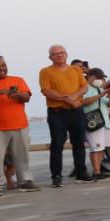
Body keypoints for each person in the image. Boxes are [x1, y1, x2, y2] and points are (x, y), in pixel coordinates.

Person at [0, 56, 37, 194]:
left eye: (3, 65)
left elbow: (27, 97)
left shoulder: (18, 80)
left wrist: (18, 95)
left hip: (19, 125)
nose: (1, 68)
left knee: (22, 156)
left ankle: (25, 181)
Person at [40, 45, 92, 186]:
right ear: (50, 57)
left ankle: (81, 173)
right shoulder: (45, 72)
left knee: (79, 143)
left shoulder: (75, 69)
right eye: (55, 54)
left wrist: (74, 97)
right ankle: (56, 176)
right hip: (57, 113)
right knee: (57, 144)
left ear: (66, 54)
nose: (59, 55)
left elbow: (84, 87)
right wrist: (66, 99)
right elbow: (46, 91)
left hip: (76, 111)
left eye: (62, 53)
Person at [82, 67, 110, 179]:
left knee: (101, 148)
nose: (101, 80)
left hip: (104, 121)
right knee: (95, 147)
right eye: (98, 78)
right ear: (90, 77)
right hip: (93, 122)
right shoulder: (85, 88)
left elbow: (109, 104)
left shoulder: (100, 89)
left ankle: (99, 169)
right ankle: (96, 171)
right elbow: (84, 102)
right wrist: (100, 95)